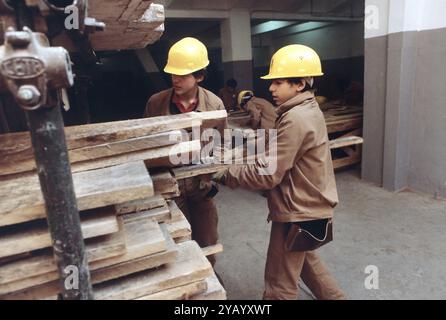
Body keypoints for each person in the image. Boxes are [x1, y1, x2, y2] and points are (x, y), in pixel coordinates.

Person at [213, 44, 345, 300]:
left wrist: (227, 173)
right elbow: (283, 156)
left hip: (298, 211)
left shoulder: (296, 118)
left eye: (279, 82)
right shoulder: (307, 109)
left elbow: (268, 173)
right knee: (308, 265)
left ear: (300, 84)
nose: (271, 88)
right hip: (311, 206)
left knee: (279, 285)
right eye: (272, 82)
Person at [144, 37, 225, 267]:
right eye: (172, 74)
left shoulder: (214, 104)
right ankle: (186, 280)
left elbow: (220, 144)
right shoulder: (155, 103)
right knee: (177, 236)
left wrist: (212, 176)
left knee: (207, 238)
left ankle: (209, 277)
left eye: (182, 75)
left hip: (202, 185)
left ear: (199, 76)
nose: (175, 80)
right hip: (170, 185)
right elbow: (148, 143)